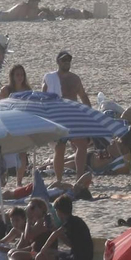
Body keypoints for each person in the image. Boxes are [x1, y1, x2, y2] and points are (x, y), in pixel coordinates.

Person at [43, 51, 90, 180]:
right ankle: (59, 179)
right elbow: (44, 96)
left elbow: (83, 96)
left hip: (73, 115)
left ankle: (79, 176)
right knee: (60, 148)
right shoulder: (51, 78)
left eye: (68, 60)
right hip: (59, 116)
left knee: (82, 144)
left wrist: (89, 113)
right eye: (64, 60)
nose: (66, 62)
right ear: (58, 62)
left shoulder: (75, 78)